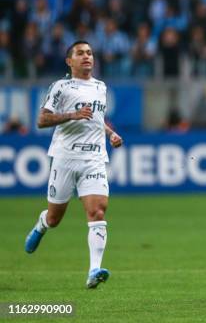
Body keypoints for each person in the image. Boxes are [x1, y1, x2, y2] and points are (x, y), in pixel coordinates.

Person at [24, 41, 123, 289]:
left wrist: (109, 133)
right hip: (65, 159)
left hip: (94, 159)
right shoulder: (61, 87)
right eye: (80, 53)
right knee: (56, 218)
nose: (87, 56)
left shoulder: (101, 87)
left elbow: (96, 120)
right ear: (70, 61)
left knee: (98, 211)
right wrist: (71, 115)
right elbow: (42, 120)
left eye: (90, 52)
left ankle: (94, 270)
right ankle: (42, 223)